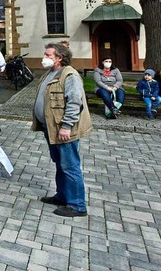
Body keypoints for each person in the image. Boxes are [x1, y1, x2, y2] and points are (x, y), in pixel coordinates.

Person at [32, 43, 91, 217]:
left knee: (70, 165)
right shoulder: (50, 73)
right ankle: (63, 195)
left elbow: (74, 102)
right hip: (50, 128)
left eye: (48, 55)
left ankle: (77, 205)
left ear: (59, 58)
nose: (44, 58)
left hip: (63, 130)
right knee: (60, 164)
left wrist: (66, 127)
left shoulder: (70, 75)